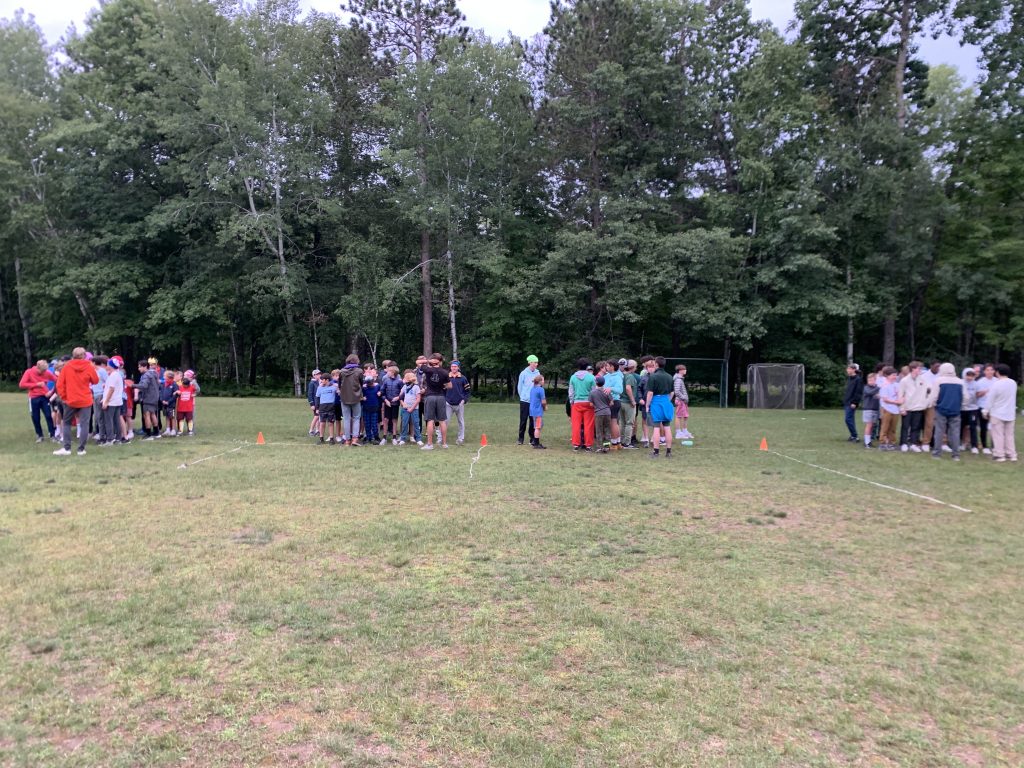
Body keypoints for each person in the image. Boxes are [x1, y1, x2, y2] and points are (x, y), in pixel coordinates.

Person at [53, 348, 98, 456]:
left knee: (67, 423)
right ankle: (81, 449)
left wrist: (64, 396)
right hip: (85, 399)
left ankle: (67, 448)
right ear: (83, 355)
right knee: (84, 424)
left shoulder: (67, 366)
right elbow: (95, 380)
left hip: (71, 400)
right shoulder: (88, 366)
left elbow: (59, 384)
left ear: (73, 355)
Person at [984, 363, 1018, 462]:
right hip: (1010, 412)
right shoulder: (1013, 383)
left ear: (997, 372)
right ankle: (1011, 454)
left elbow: (990, 399)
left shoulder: (996, 384)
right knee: (1009, 435)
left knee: (998, 434)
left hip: (997, 413)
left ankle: (999, 455)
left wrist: (985, 411)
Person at [930, 363, 963, 461]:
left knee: (939, 431)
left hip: (941, 409)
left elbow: (934, 396)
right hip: (955, 409)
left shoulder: (939, 381)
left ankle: (937, 453)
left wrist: (932, 404)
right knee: (955, 432)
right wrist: (960, 405)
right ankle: (956, 454)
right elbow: (965, 397)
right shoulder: (960, 382)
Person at [19, 359, 57, 442]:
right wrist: (36, 384)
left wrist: (52, 391)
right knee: (35, 417)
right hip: (33, 397)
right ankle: (39, 435)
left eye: (45, 371)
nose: (44, 373)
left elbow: (57, 380)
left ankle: (52, 435)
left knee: (48, 416)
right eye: (42, 371)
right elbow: (22, 384)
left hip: (45, 397)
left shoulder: (46, 372)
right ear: (37, 367)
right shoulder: (29, 372)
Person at [418, 353, 451, 450]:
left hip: (430, 396)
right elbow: (450, 386)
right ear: (440, 361)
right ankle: (444, 444)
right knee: (442, 421)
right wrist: (443, 386)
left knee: (430, 420)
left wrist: (428, 361)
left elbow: (418, 362)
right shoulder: (445, 372)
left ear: (433, 360)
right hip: (441, 396)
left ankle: (429, 444)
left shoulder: (428, 370)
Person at [644, 356, 675, 458]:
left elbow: (650, 393)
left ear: (656, 364)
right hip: (666, 401)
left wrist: (647, 405)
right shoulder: (670, 376)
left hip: (656, 402)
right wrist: (667, 401)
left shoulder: (653, 376)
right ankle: (668, 452)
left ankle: (656, 452)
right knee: (667, 427)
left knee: (656, 428)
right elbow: (672, 392)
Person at [898, 361, 929, 452]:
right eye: (919, 368)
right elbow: (901, 395)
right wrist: (902, 408)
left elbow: (927, 392)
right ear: (913, 369)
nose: (920, 370)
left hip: (918, 407)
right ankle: (903, 444)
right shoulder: (904, 380)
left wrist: (925, 403)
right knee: (905, 426)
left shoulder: (922, 380)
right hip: (907, 407)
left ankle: (913, 443)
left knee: (916, 427)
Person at [568, 358, 596, 451]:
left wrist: (572, 401)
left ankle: (576, 444)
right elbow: (594, 391)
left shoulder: (573, 377)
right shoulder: (591, 377)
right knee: (589, 424)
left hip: (577, 403)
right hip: (588, 403)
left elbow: (571, 391)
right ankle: (588, 445)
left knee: (576, 424)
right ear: (587, 366)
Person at [99, 357, 126, 447]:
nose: (106, 366)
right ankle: (118, 438)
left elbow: (111, 389)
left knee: (108, 420)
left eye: (107, 364)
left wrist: (106, 401)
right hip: (118, 401)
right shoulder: (118, 374)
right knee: (116, 420)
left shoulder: (113, 375)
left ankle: (110, 439)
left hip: (111, 402)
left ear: (110, 366)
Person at [338, 355, 363, 447]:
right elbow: (361, 383)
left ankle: (347, 440)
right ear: (356, 361)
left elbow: (339, 385)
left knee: (346, 419)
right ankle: (355, 439)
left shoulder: (341, 372)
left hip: (344, 397)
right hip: (356, 397)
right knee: (356, 418)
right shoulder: (359, 371)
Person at [517, 355, 541, 445]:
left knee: (532, 421)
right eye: (535, 362)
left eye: (537, 362)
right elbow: (519, 386)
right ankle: (520, 438)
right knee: (523, 420)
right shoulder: (523, 373)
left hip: (534, 401)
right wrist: (522, 396)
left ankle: (532, 438)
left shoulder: (538, 373)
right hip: (524, 401)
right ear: (530, 363)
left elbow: (539, 386)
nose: (536, 364)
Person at [446, 360, 471, 445]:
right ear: (450, 367)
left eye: (455, 366)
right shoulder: (446, 377)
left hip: (459, 403)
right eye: (452, 366)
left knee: (461, 422)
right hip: (448, 403)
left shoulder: (463, 378)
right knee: (445, 421)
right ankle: (441, 439)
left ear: (458, 368)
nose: (454, 368)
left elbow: (467, 391)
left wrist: (464, 400)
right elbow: (442, 389)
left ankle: (460, 439)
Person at [878, 367, 902, 451]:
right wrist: (897, 402)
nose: (895, 377)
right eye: (893, 375)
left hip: (896, 410)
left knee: (893, 428)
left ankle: (892, 443)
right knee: (885, 427)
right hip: (886, 409)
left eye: (896, 375)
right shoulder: (884, 386)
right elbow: (885, 399)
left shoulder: (897, 385)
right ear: (887, 376)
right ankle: (883, 443)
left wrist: (901, 400)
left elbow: (900, 395)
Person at [136, 360, 161, 439]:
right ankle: (156, 432)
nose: (138, 368)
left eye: (140, 367)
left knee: (146, 415)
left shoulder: (146, 375)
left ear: (145, 367)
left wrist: (133, 385)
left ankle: (148, 434)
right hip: (155, 397)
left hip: (148, 398)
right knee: (153, 414)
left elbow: (144, 386)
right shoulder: (154, 373)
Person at [603, 360, 624, 449]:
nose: (606, 367)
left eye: (607, 366)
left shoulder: (617, 376)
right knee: (614, 423)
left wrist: (610, 389)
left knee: (613, 423)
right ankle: (618, 443)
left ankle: (614, 443)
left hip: (614, 401)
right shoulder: (606, 376)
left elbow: (620, 390)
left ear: (612, 367)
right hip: (606, 401)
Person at [380, 365, 403, 445]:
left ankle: (394, 437)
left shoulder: (400, 381)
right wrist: (385, 400)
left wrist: (398, 397)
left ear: (393, 372)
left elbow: (403, 392)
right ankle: (384, 437)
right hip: (387, 403)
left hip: (395, 404)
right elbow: (382, 392)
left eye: (389, 371)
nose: (387, 372)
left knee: (394, 420)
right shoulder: (386, 381)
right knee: (386, 420)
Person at [618, 359, 639, 448]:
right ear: (633, 367)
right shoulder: (630, 376)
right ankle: (627, 442)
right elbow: (628, 388)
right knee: (630, 423)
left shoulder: (621, 375)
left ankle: (622, 441)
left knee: (623, 423)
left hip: (621, 401)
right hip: (628, 402)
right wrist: (633, 400)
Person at [589, 375, 613, 453]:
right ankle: (606, 447)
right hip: (607, 412)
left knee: (599, 430)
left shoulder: (592, 392)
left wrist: (597, 405)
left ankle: (599, 447)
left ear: (596, 382)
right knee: (607, 430)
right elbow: (611, 403)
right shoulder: (607, 391)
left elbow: (591, 404)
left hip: (598, 413)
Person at [398, 371, 422, 446]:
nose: (403, 379)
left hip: (414, 409)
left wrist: (412, 408)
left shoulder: (416, 387)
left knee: (416, 423)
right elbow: (400, 397)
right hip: (405, 409)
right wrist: (403, 404)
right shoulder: (404, 387)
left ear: (409, 379)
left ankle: (418, 439)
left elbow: (418, 399)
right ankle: (402, 438)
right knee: (404, 423)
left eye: (405, 378)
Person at [975, 364, 995, 454]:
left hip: (994, 407)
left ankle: (994, 445)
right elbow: (977, 395)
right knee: (984, 427)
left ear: (994, 371)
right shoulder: (980, 382)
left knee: (995, 427)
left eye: (991, 370)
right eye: (987, 370)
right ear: (984, 371)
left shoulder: (997, 381)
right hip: (983, 406)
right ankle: (984, 446)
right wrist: (984, 392)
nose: (990, 372)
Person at [960, 368, 980, 454]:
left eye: (972, 375)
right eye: (968, 375)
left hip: (973, 409)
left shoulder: (976, 384)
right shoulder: (960, 383)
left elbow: (978, 394)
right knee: (961, 426)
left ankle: (974, 446)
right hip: (961, 409)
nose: (970, 377)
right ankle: (961, 443)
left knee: (972, 427)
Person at [842, 363, 863, 442]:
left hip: (851, 403)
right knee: (850, 419)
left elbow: (858, 392)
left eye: (849, 369)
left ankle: (855, 436)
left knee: (848, 419)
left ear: (854, 370)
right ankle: (853, 435)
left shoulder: (858, 379)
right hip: (847, 402)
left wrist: (854, 402)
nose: (847, 370)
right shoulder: (850, 379)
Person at [315, 371, 339, 443]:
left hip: (331, 407)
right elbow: (317, 398)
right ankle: (321, 438)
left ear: (327, 380)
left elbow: (339, 390)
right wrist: (317, 408)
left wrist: (336, 386)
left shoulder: (334, 387)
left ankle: (331, 439)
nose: (321, 381)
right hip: (322, 407)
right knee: (322, 423)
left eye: (322, 380)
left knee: (331, 423)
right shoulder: (320, 388)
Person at [362, 366, 382, 445]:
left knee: (374, 423)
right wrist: (362, 398)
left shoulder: (377, 386)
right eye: (368, 383)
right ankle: (368, 437)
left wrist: (380, 393)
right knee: (367, 423)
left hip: (374, 407)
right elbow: (360, 395)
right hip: (366, 407)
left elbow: (381, 393)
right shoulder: (364, 388)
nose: (370, 384)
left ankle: (376, 437)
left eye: (371, 382)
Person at [673, 364, 692, 440]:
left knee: (685, 416)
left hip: (683, 401)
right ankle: (678, 433)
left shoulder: (680, 379)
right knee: (679, 416)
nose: (685, 370)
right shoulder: (678, 379)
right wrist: (684, 398)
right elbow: (677, 391)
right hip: (680, 401)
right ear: (680, 371)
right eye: (684, 369)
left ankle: (684, 431)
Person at [861, 371, 880, 448]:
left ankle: (869, 441)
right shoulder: (866, 388)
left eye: (873, 380)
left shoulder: (876, 388)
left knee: (872, 426)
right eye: (869, 380)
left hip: (875, 409)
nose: (871, 382)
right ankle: (866, 442)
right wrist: (879, 387)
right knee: (869, 425)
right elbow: (869, 393)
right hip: (868, 409)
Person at [529, 374, 547, 449]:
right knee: (538, 427)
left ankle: (534, 441)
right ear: (539, 381)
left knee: (537, 426)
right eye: (543, 380)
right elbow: (543, 401)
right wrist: (545, 407)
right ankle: (536, 443)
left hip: (532, 410)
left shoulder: (532, 389)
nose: (544, 381)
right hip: (538, 411)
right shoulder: (541, 389)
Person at [160, 371, 179, 436]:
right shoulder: (164, 384)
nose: (163, 377)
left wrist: (169, 401)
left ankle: (173, 430)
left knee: (172, 417)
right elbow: (161, 393)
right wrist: (162, 400)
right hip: (164, 404)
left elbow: (175, 395)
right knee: (167, 416)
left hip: (172, 404)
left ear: (169, 377)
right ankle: (167, 429)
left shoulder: (174, 384)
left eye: (165, 376)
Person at [307, 369, 321, 436]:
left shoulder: (319, 382)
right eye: (317, 374)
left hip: (319, 403)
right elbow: (310, 394)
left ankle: (317, 430)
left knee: (319, 417)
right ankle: (311, 430)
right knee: (316, 416)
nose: (319, 375)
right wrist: (311, 404)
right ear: (314, 375)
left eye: (319, 374)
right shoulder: (312, 383)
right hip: (315, 403)